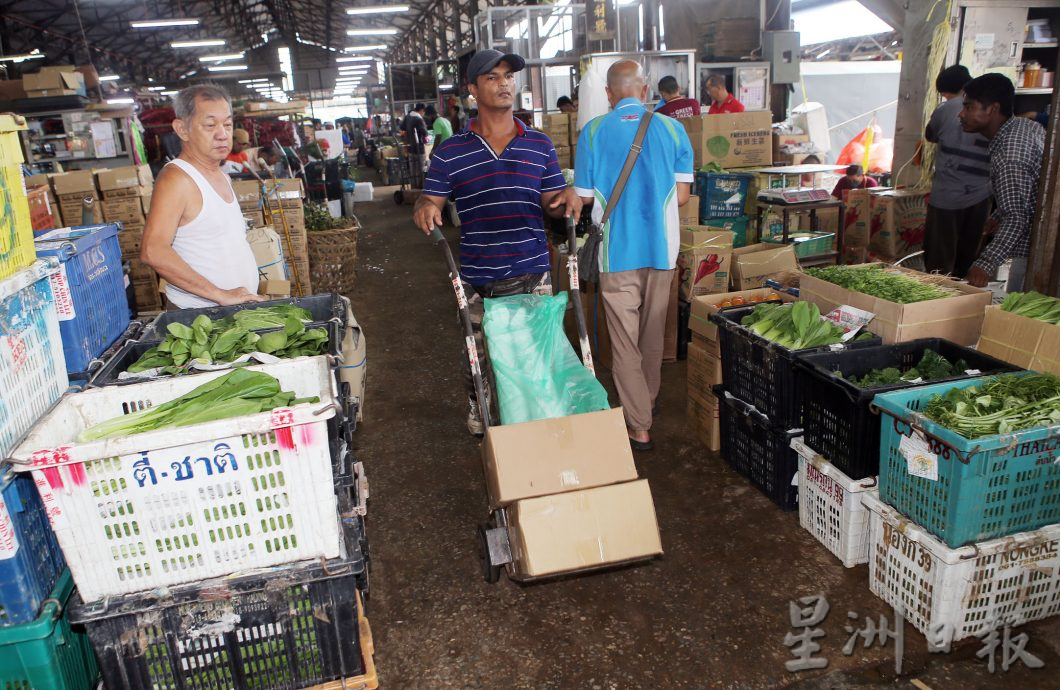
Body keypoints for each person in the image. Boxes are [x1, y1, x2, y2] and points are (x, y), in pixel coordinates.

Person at [413, 49, 582, 435]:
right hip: (477, 276)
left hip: (533, 271)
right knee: (478, 357)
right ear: (472, 89)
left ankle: (538, 429)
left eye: (508, 76)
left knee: (537, 358)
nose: (504, 83)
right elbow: (430, 200)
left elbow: (551, 203)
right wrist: (424, 207)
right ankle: (480, 406)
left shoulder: (539, 145)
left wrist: (565, 198)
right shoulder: (451, 152)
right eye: (492, 77)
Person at [574, 60, 694, 451]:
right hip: (662, 251)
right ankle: (647, 401)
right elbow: (681, 197)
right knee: (652, 334)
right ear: (645, 91)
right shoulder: (673, 130)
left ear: (608, 94)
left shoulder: (593, 132)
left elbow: (584, 197)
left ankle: (639, 425)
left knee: (624, 342)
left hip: (617, 254)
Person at [141, 85, 263, 309]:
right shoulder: (177, 179)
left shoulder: (222, 176)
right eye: (210, 125)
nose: (222, 134)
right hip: (199, 318)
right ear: (182, 129)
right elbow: (153, 250)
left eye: (227, 124)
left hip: (232, 312)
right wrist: (219, 294)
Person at [960, 73, 1045, 292]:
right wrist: (998, 215)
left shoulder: (1009, 154)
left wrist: (985, 263)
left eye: (969, 107)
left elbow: (1017, 217)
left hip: (1035, 252)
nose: (961, 114)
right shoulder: (1024, 127)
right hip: (1039, 245)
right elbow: (1029, 192)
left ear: (993, 109)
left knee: (1020, 307)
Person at [922, 65, 992, 278]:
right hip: (981, 197)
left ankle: (940, 295)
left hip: (947, 197)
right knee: (968, 258)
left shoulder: (945, 110)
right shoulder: (989, 110)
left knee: (939, 262)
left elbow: (930, 135)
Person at [405, 103, 429, 187]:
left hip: (410, 148)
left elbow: (402, 127)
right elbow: (425, 133)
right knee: (420, 170)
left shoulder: (407, 117)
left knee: (413, 170)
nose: (424, 114)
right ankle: (419, 188)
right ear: (422, 110)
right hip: (419, 149)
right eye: (424, 112)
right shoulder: (419, 119)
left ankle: (413, 187)